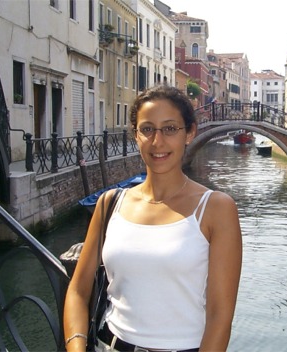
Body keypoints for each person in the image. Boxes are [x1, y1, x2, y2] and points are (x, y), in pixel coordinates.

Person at [64, 85, 243, 352]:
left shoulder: (217, 209)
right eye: (147, 129)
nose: (157, 141)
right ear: (136, 136)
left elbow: (220, 317)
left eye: (170, 129)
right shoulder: (109, 204)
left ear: (189, 133)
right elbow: (78, 291)